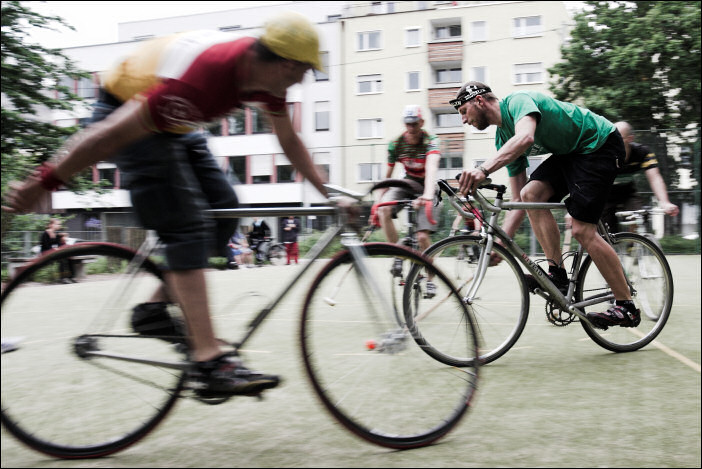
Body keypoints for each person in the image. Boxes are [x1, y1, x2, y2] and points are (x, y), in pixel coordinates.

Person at [2, 12, 329, 396]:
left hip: (175, 125)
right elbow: (105, 137)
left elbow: (288, 139)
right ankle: (209, 362)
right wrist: (45, 181)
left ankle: (154, 312)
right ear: (287, 64)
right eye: (305, 71)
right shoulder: (205, 79)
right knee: (187, 226)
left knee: (224, 206)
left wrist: (329, 192)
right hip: (124, 110)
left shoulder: (266, 80)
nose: (304, 79)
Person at [451, 81, 640, 329]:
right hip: (571, 153)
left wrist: (483, 169)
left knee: (583, 230)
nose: (464, 120)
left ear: (479, 101)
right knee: (531, 194)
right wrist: (500, 243)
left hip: (599, 143)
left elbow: (526, 136)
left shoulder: (518, 102)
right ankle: (557, 276)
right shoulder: (502, 139)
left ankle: (626, 307)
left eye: (463, 111)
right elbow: (518, 200)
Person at [377, 105, 441, 297]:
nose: (411, 128)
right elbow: (387, 178)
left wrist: (428, 195)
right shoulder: (396, 144)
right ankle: (398, 254)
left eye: (414, 124)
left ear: (421, 123)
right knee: (383, 210)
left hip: (428, 185)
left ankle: (430, 279)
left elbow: (431, 169)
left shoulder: (431, 141)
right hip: (407, 184)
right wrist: (377, 203)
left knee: (422, 237)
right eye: (408, 124)